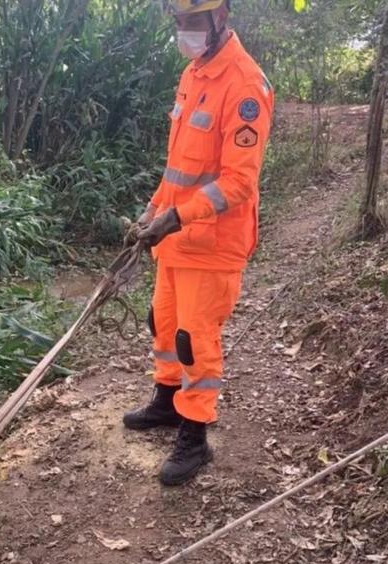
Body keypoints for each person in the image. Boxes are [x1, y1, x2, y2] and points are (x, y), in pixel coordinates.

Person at [124, 0, 273, 486]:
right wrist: (152, 212)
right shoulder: (194, 73)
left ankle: (196, 433)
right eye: (179, 22)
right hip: (175, 234)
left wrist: (176, 216)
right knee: (163, 324)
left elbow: (238, 182)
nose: (184, 31)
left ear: (220, 19)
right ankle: (168, 402)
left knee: (195, 339)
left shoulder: (245, 85)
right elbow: (178, 169)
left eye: (192, 21)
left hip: (212, 243)